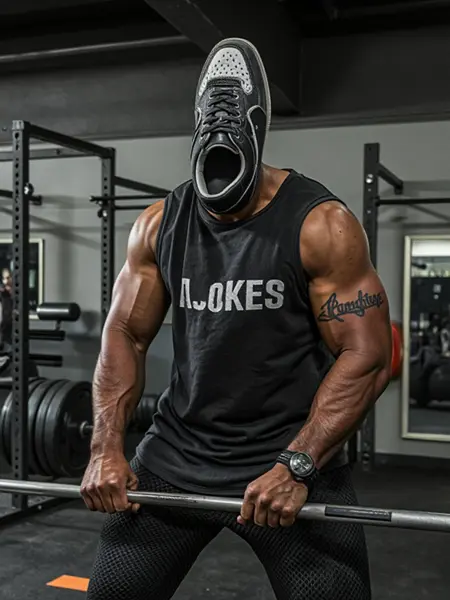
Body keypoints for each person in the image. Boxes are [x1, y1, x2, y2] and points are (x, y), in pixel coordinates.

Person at [82, 38, 392, 600]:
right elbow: (124, 332)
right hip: (177, 455)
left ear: (255, 133)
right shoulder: (159, 224)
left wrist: (297, 465)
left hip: (289, 457)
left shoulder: (321, 225)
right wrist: (106, 446)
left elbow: (367, 354)